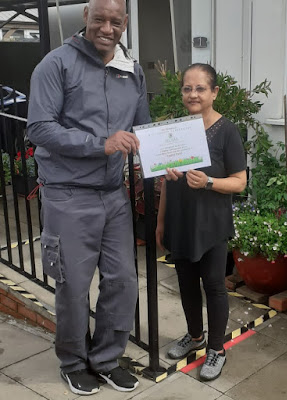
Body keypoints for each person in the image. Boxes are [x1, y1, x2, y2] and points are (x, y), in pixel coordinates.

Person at [27, 0, 151, 395]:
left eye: (115, 21)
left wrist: (169, 160)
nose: (107, 28)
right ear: (85, 17)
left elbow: (143, 129)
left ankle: (106, 359)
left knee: (123, 281)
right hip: (68, 194)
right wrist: (101, 144)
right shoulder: (55, 64)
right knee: (73, 286)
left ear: (125, 22)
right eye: (99, 19)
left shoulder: (131, 70)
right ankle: (73, 362)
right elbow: (39, 128)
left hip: (113, 195)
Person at [156, 63, 247, 381]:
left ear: (214, 92)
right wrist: (161, 222)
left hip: (211, 225)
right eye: (187, 88)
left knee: (214, 286)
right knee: (186, 284)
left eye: (200, 88)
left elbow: (240, 182)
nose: (192, 94)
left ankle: (217, 349)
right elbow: (167, 182)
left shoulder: (227, 131)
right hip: (181, 221)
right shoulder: (177, 130)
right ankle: (195, 337)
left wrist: (208, 182)